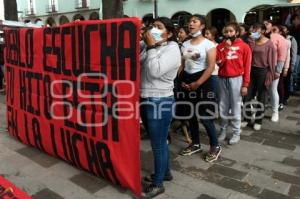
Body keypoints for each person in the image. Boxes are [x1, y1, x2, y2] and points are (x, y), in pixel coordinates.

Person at [140, 17, 181, 198]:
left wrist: (150, 48)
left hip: (159, 100)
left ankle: (158, 184)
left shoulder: (173, 49)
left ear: (169, 33)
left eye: (159, 27)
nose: (154, 29)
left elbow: (155, 71)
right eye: (153, 26)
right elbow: (137, 61)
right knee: (160, 141)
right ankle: (165, 172)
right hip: (145, 97)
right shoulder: (151, 46)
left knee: (157, 144)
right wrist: (147, 46)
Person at [177, 14, 221, 162]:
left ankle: (215, 145)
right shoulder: (185, 43)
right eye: (190, 21)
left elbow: (210, 67)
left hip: (203, 81)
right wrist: (180, 80)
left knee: (205, 116)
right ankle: (195, 143)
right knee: (190, 115)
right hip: (186, 80)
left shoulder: (208, 45)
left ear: (202, 26)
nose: (191, 23)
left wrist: (198, 83)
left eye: (194, 21)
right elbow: (182, 64)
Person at [217, 22, 251, 144]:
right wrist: (226, 49)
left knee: (236, 106)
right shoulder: (220, 46)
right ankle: (223, 130)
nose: (228, 33)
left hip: (237, 79)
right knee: (223, 106)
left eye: (231, 31)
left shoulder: (244, 46)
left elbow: (247, 67)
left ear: (237, 32)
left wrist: (245, 84)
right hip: (222, 78)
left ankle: (236, 132)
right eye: (226, 31)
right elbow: (219, 63)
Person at [243, 23, 276, 130]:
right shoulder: (252, 41)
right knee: (247, 96)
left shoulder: (269, 43)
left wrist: (271, 74)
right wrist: (252, 41)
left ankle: (258, 120)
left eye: (255, 30)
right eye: (252, 30)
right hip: (251, 70)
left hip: (263, 71)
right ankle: (247, 119)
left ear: (262, 31)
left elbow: (272, 60)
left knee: (261, 97)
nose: (252, 32)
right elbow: (249, 54)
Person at [268, 24, 288, 122]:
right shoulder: (260, 36)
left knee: (273, 89)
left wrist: (279, 70)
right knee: (261, 91)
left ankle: (275, 112)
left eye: (268, 24)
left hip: (274, 67)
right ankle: (260, 110)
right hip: (261, 67)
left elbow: (282, 56)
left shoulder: (280, 38)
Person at [205, 26, 219, 100]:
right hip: (205, 73)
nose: (205, 35)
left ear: (213, 36)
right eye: (205, 33)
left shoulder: (217, 46)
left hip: (214, 74)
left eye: (207, 34)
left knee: (214, 96)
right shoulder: (204, 46)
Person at [290, 13, 300, 92]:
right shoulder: (291, 29)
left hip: (298, 52)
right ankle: (293, 87)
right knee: (294, 70)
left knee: (297, 70)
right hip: (294, 52)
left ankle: (295, 85)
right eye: (297, 19)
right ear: (293, 20)